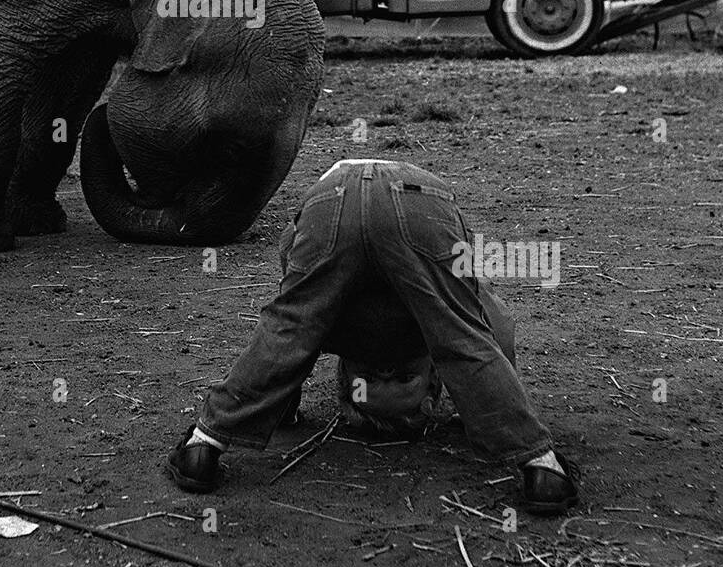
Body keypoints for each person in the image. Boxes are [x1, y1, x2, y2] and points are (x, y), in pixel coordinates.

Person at [167, 159, 579, 515]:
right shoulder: (408, 331)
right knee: (454, 331)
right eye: (401, 380)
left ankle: (542, 468)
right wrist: (489, 411)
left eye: (375, 381)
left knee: (294, 322)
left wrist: (283, 409)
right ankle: (203, 447)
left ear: (346, 377)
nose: (386, 370)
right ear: (436, 381)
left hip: (344, 199)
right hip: (409, 201)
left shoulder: (332, 329)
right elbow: (486, 333)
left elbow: (287, 336)